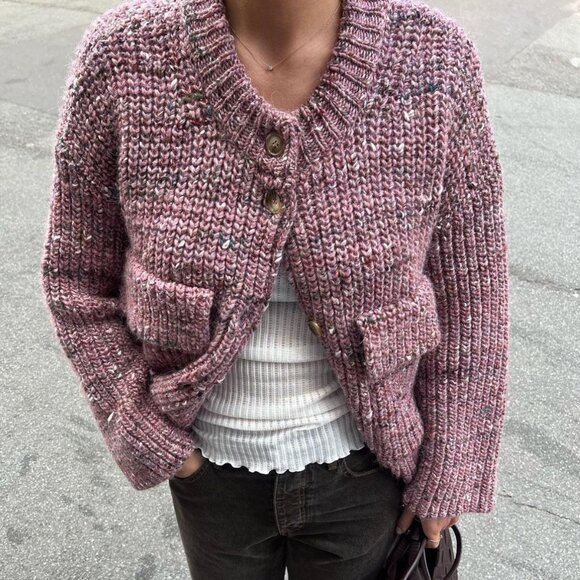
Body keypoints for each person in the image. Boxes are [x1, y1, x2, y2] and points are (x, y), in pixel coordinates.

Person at [40, 0, 510, 578]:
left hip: (370, 475)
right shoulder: (123, 56)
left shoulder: (433, 59)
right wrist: (141, 428)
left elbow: (473, 295)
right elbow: (76, 280)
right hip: (209, 477)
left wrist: (451, 463)